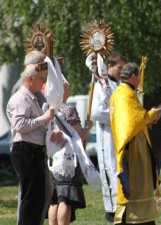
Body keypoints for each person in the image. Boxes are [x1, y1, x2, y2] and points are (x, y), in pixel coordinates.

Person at [6, 51, 56, 225]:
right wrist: (44, 118)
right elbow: (20, 125)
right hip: (26, 150)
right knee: (30, 199)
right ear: (30, 79)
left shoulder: (31, 97)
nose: (43, 82)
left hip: (33, 150)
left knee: (37, 198)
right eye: (41, 79)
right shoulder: (20, 98)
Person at [110, 62, 161, 225]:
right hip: (132, 152)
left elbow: (134, 121)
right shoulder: (125, 94)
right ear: (133, 76)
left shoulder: (122, 93)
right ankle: (138, 220)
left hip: (134, 145)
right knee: (136, 188)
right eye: (138, 76)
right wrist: (152, 114)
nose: (140, 79)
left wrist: (148, 119)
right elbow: (133, 122)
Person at [47, 80, 95, 225]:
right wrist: (88, 127)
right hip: (68, 160)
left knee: (54, 198)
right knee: (65, 199)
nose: (69, 86)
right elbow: (79, 135)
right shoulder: (68, 110)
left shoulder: (48, 108)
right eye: (66, 86)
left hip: (52, 158)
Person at [91, 52, 127, 222]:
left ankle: (122, 205)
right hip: (107, 137)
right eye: (119, 68)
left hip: (119, 136)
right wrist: (119, 116)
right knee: (111, 169)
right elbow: (96, 112)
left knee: (120, 170)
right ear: (110, 66)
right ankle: (112, 210)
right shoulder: (101, 85)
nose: (122, 71)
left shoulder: (119, 86)